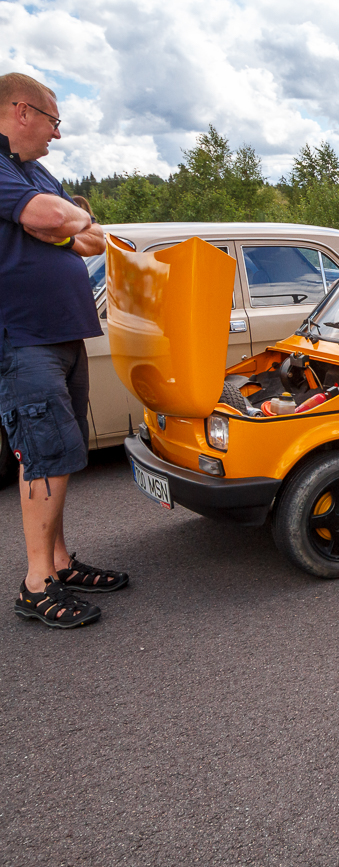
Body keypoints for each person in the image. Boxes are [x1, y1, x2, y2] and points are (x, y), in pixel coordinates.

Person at [1, 72, 127, 628]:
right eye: (54, 121)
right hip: (24, 339)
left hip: (62, 336)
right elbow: (58, 218)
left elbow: (94, 238)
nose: (58, 133)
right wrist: (60, 222)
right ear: (22, 111)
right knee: (44, 455)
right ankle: (37, 585)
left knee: (63, 454)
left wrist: (62, 225)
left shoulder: (34, 172)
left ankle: (58, 562)